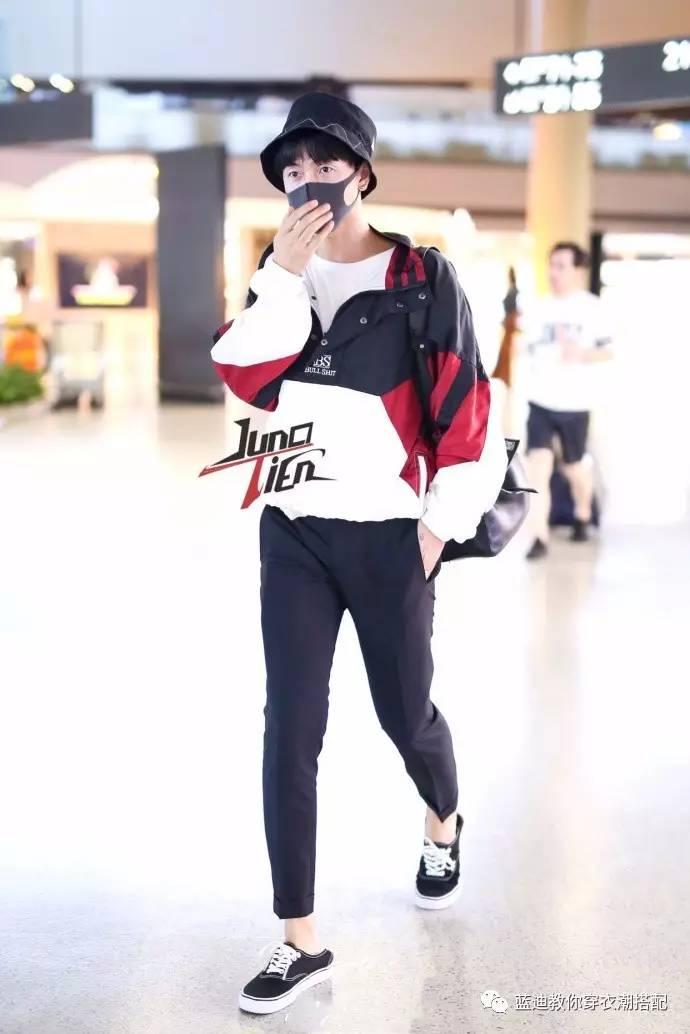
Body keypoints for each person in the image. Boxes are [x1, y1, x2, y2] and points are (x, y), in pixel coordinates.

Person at [210, 92, 506, 1015]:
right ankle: (299, 937)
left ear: (363, 175)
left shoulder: (421, 277)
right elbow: (245, 378)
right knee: (290, 726)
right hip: (293, 530)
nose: (308, 182)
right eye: (293, 170)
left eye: (326, 166)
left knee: (405, 715)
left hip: (388, 538)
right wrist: (282, 277)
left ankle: (443, 819)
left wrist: (435, 529)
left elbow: (468, 413)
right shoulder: (279, 275)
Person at [523, 242, 613, 560]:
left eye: (561, 265)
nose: (554, 272)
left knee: (574, 467)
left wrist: (582, 353)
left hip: (575, 405)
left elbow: (608, 351)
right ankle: (538, 537)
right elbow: (529, 349)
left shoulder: (592, 308)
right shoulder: (538, 307)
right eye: (551, 264)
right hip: (541, 402)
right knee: (538, 468)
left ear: (578, 270)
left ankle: (583, 513)